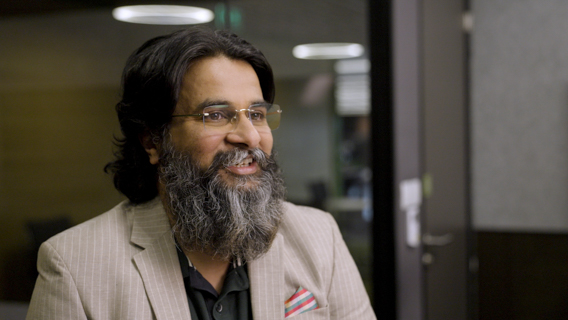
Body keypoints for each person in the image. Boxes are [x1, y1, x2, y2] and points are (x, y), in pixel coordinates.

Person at [26, 27, 376, 320]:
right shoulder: (73, 267)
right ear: (153, 140)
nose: (250, 136)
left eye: (256, 114)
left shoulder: (319, 237)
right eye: (216, 115)